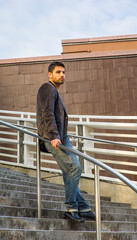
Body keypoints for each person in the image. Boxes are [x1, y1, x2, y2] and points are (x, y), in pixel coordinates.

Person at [36, 61, 95, 223]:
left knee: (71, 170)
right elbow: (47, 112)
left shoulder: (54, 90)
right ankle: (71, 208)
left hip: (62, 136)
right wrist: (54, 135)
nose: (62, 75)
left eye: (63, 72)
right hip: (52, 136)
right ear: (50, 74)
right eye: (58, 72)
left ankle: (82, 207)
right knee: (74, 167)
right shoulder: (47, 88)